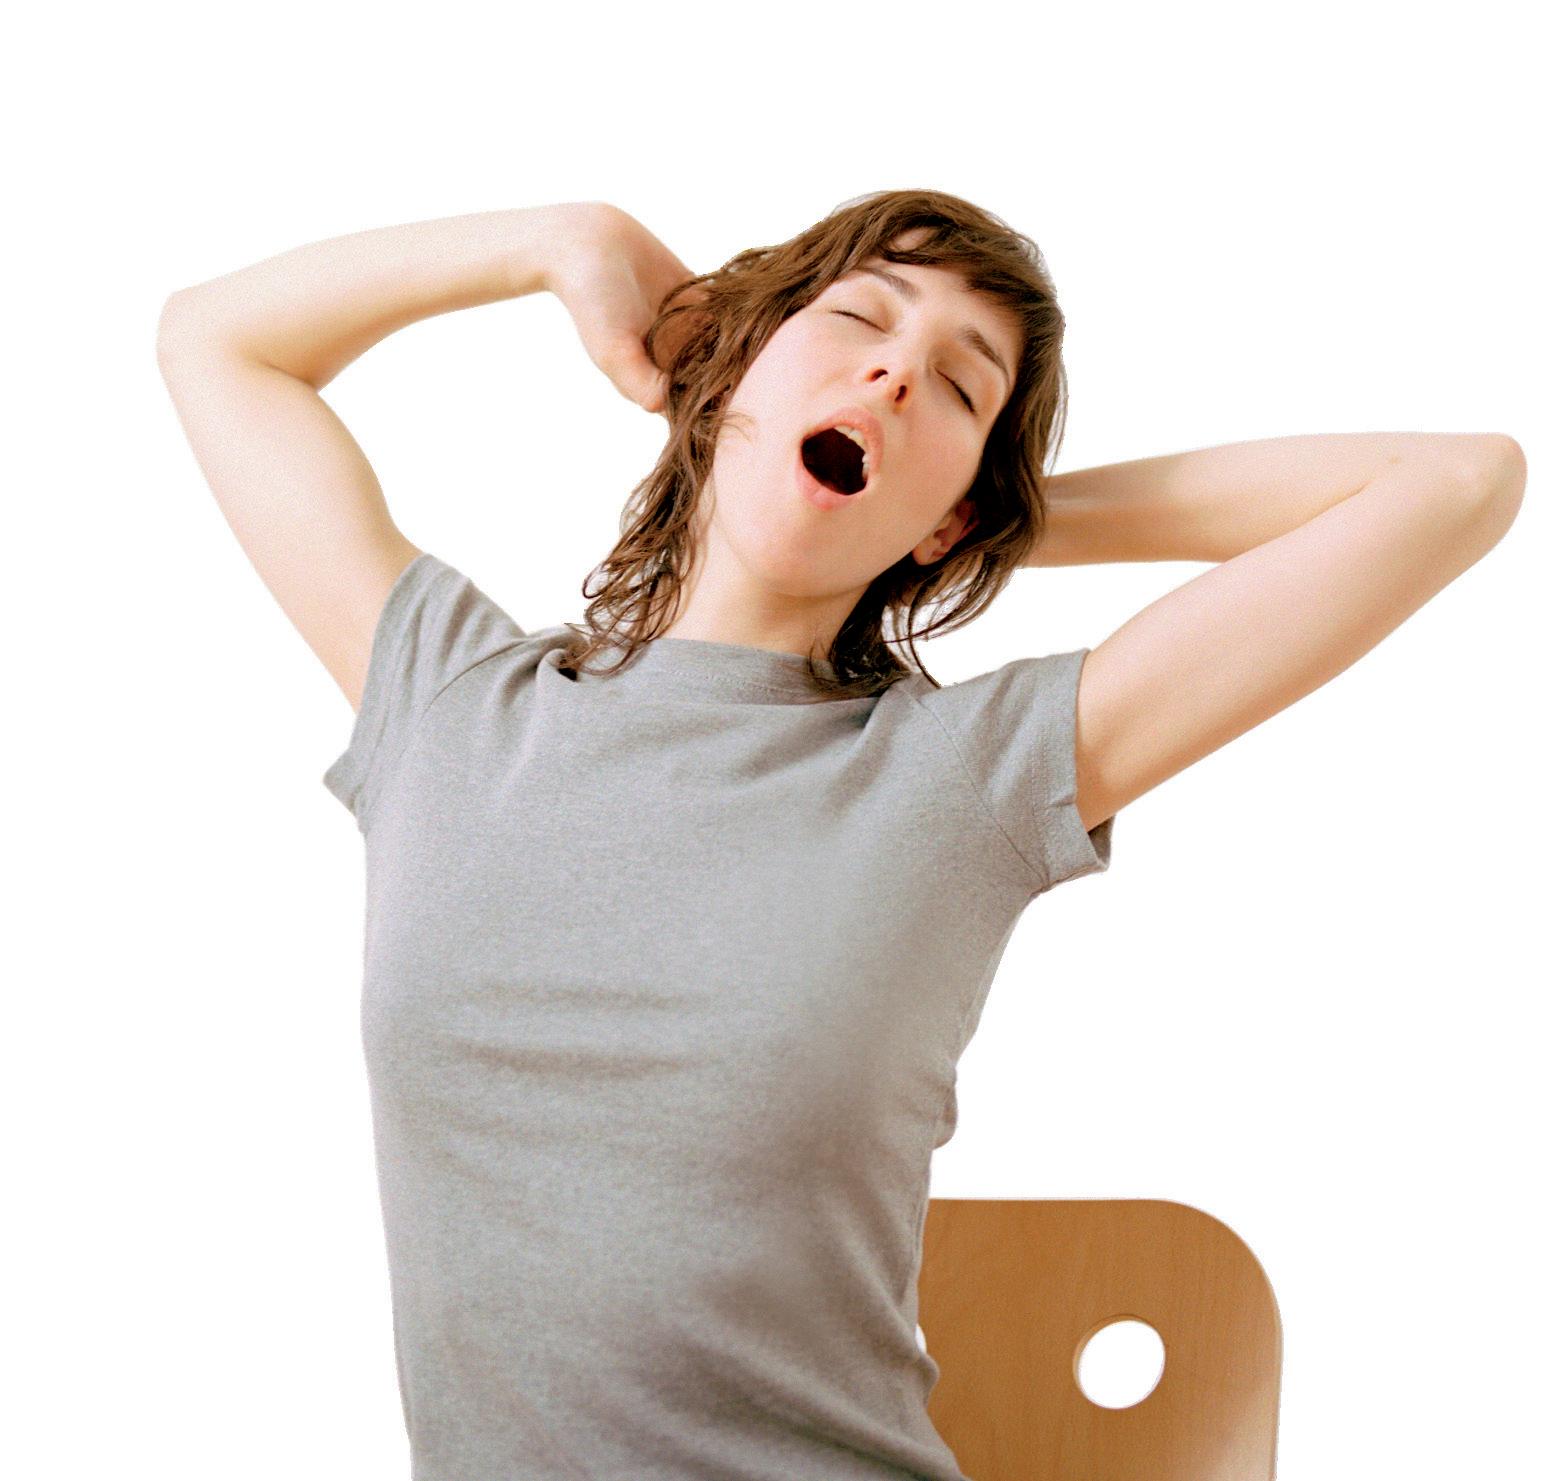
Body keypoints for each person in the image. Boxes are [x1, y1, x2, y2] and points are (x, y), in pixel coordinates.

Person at [155, 192, 1524, 1479]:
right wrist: (555, 240)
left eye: (960, 388)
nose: (894, 376)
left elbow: (1457, 481)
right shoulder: (450, 699)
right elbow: (217, 341)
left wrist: (991, 520)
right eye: (860, 319)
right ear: (721, 375)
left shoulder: (966, 772)